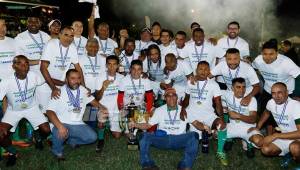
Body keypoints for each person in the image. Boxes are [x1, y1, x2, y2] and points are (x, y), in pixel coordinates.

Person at [46, 69, 108, 160]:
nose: (76, 81)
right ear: (66, 80)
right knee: (58, 132)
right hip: (62, 123)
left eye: (78, 78)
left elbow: (93, 102)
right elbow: (49, 112)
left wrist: (102, 107)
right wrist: (60, 126)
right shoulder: (58, 92)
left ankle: (70, 140)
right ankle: (57, 151)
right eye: (73, 78)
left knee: (92, 137)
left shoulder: (83, 90)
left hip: (78, 123)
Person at [130, 88, 199, 170]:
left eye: (173, 95)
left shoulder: (184, 110)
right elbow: (148, 125)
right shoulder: (159, 110)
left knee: (194, 135)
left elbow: (196, 123)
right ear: (165, 98)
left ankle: (185, 166)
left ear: (177, 97)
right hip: (163, 139)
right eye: (168, 96)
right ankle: (147, 164)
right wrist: (135, 124)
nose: (171, 98)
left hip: (179, 139)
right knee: (144, 136)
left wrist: (205, 127)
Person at [0, 55, 51, 166]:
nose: (24, 66)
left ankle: (37, 137)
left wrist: (62, 83)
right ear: (14, 66)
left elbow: (48, 79)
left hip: (32, 108)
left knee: (47, 130)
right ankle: (12, 153)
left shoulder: (34, 76)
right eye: (20, 64)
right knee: (1, 134)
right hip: (14, 111)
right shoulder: (6, 81)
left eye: (26, 63)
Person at [181, 61, 228, 166]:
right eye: (201, 69)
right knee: (195, 141)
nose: (203, 71)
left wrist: (221, 119)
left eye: (206, 69)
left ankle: (220, 151)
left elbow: (218, 103)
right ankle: (198, 132)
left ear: (209, 71)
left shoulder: (214, 84)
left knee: (222, 125)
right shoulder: (190, 82)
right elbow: (186, 99)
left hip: (208, 115)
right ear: (196, 70)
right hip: (193, 114)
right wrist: (182, 109)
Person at [252, 40, 300, 135]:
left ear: (277, 53)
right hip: (268, 91)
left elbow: (299, 76)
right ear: (261, 53)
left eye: (271, 54)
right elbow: (252, 67)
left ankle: (289, 136)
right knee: (267, 114)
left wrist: (297, 94)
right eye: (265, 54)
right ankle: (270, 136)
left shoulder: (286, 62)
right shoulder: (258, 60)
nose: (268, 57)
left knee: (284, 117)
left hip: (286, 93)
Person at [248, 82, 300, 167]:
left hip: (297, 138)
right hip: (284, 136)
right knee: (265, 149)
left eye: (280, 92)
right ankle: (290, 154)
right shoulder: (271, 102)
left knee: (295, 148)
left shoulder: (296, 106)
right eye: (273, 93)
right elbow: (266, 113)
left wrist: (275, 136)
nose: (276, 96)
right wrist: (257, 127)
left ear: (286, 92)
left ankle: (297, 159)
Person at [39, 26, 85, 114]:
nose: (68, 38)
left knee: (57, 113)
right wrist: (53, 88)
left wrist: (83, 86)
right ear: (60, 35)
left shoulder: (72, 47)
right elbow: (43, 68)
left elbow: (78, 67)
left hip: (60, 86)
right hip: (46, 85)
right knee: (44, 115)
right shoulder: (51, 44)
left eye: (71, 36)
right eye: (66, 35)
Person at [221, 77, 263, 158]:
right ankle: (226, 144)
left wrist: (238, 116)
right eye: (238, 87)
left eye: (244, 87)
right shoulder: (226, 94)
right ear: (232, 88)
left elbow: (253, 119)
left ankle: (248, 142)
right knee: (216, 134)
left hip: (248, 127)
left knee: (259, 141)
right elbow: (211, 93)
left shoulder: (251, 99)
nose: (241, 90)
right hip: (233, 126)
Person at [94, 55, 124, 151]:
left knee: (117, 136)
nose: (112, 67)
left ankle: (109, 124)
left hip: (116, 109)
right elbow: (97, 98)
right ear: (106, 65)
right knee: (103, 116)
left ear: (118, 65)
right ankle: (101, 139)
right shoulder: (100, 77)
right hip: (104, 107)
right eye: (109, 64)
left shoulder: (122, 78)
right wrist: (103, 88)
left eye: (114, 64)